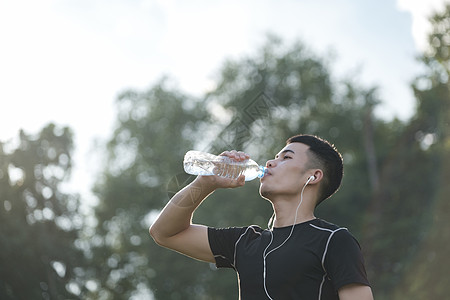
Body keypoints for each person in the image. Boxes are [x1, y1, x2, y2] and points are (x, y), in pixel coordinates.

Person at [149, 134, 374, 299]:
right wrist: (205, 182)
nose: (270, 162)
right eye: (274, 157)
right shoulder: (244, 243)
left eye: (286, 157)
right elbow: (164, 233)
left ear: (313, 176)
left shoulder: (333, 240)